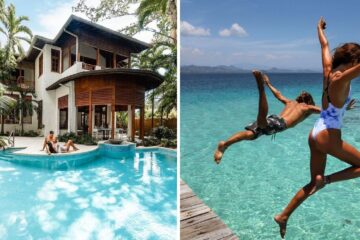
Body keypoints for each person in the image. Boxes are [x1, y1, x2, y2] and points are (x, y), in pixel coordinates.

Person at [274, 17, 360, 238]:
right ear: (352, 62)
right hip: (328, 136)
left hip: (315, 133)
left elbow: (324, 46)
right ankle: (329, 180)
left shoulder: (328, 72)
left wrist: (319, 30)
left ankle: (283, 215)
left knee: (314, 181)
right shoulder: (341, 79)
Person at [214, 70, 321, 164]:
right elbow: (323, 110)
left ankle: (224, 145)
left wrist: (269, 83)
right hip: (280, 124)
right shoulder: (307, 107)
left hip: (274, 118)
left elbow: (278, 94)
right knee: (262, 122)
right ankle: (261, 89)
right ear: (309, 101)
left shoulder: (290, 102)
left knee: (250, 134)